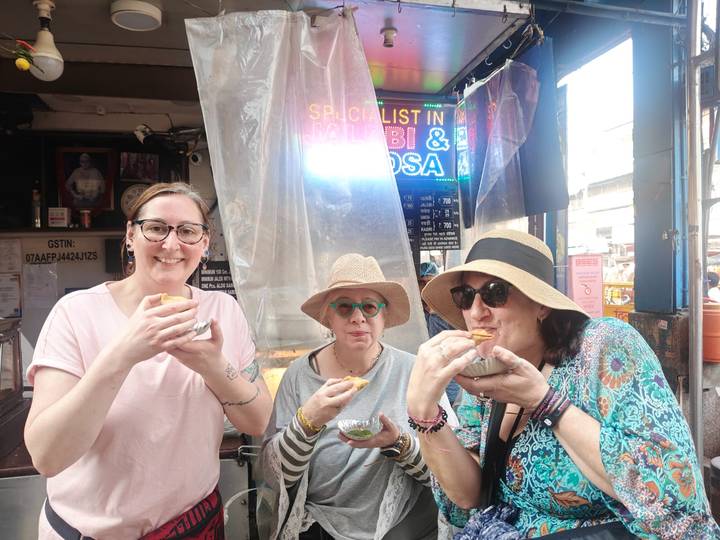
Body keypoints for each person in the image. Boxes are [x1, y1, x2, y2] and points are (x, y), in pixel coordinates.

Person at [407, 229, 719, 538]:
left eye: (494, 292)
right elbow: (468, 497)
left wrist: (546, 403)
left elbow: (672, 495)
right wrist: (425, 414)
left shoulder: (602, 346)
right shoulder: (484, 375)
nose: (476, 312)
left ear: (541, 305)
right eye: (465, 296)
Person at [25, 182, 273, 539]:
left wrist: (213, 366)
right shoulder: (76, 313)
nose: (171, 245)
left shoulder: (223, 310)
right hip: (91, 532)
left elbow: (258, 418)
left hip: (193, 526)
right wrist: (123, 352)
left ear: (204, 244)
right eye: (156, 228)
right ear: (130, 235)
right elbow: (47, 456)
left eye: (188, 231)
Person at [259, 253, 454, 540]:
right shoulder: (298, 376)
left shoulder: (413, 371)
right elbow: (275, 476)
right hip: (320, 524)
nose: (358, 317)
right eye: (345, 307)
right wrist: (307, 422)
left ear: (384, 316)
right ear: (327, 317)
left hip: (401, 524)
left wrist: (398, 444)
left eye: (369, 307)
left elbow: (450, 476)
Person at [419, 261, 460, 405]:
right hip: (425, 372)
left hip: (450, 375)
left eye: (429, 282)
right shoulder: (417, 312)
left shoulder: (447, 310)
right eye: (421, 282)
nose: (424, 287)